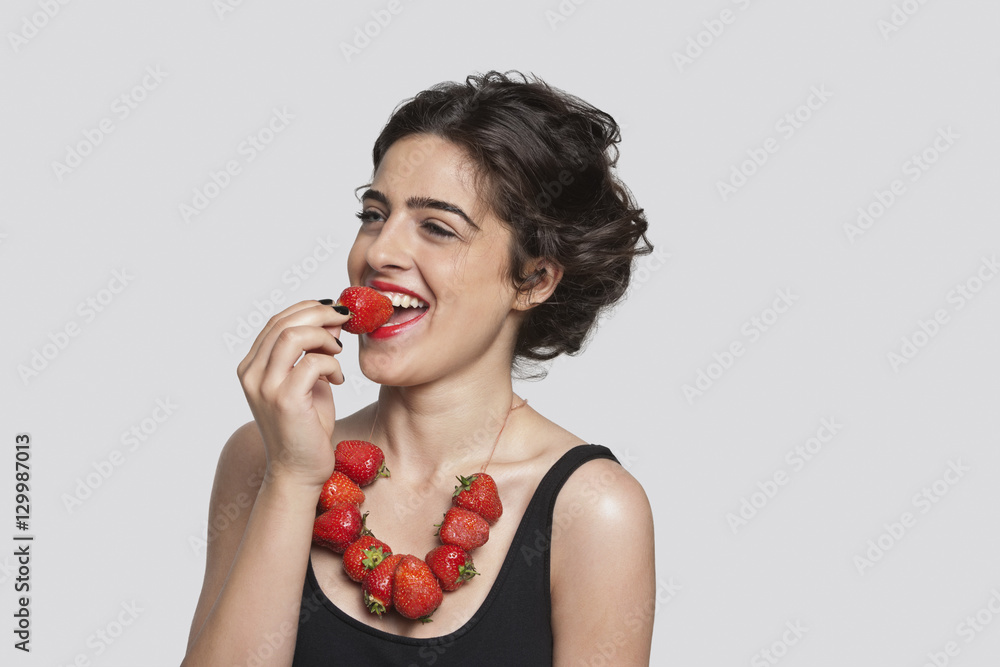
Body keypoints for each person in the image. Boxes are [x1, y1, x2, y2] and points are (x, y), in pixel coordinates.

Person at [182, 70, 656, 666]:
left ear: (533, 279)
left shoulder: (595, 509)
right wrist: (293, 478)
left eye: (436, 227)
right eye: (373, 215)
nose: (379, 251)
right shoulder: (261, 456)